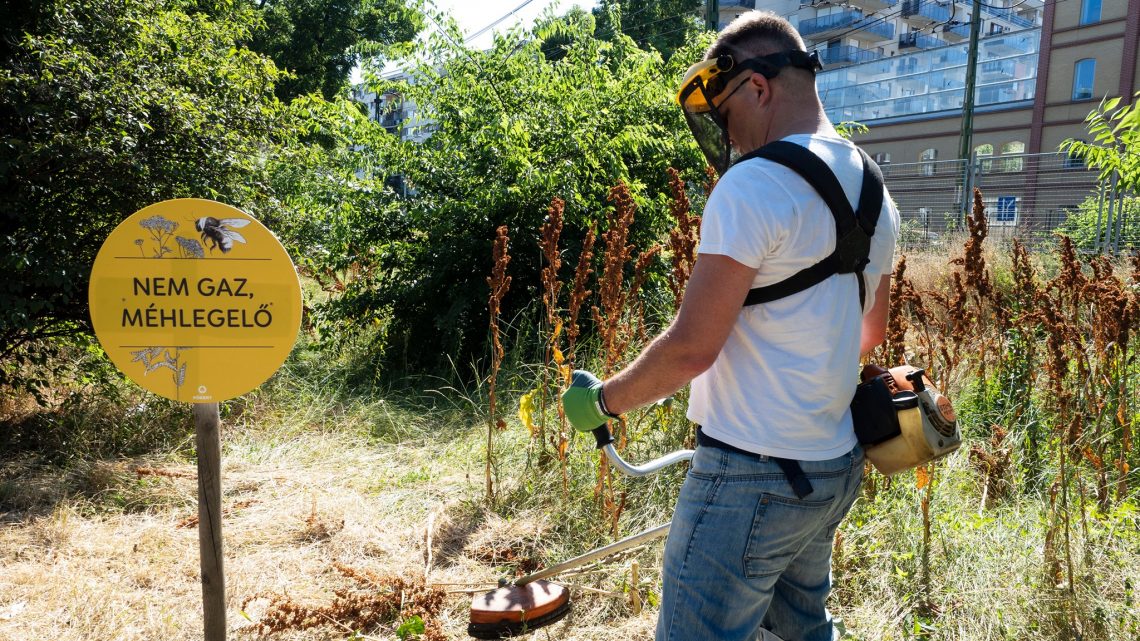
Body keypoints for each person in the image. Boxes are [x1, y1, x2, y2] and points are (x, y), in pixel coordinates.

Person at [562, 10, 900, 641]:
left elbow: (691, 350)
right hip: (831, 466)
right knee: (802, 632)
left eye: (724, 114)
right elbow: (868, 335)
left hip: (751, 478)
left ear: (758, 87)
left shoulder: (754, 185)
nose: (727, 134)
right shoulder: (874, 191)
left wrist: (602, 401)